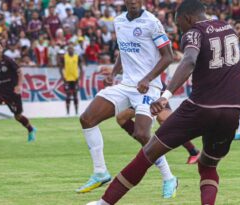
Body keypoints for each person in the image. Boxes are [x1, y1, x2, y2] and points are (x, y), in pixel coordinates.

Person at [86, 0, 240, 204]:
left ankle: (104, 203)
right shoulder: (228, 29)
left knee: (148, 153)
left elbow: (189, 60)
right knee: (208, 166)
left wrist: (165, 96)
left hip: (202, 108)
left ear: (187, 18)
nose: (180, 29)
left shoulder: (193, 32)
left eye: (179, 23)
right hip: (234, 110)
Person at [76, 0, 178, 199]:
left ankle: (169, 177)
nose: (132, 1)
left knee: (141, 133)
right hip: (126, 85)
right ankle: (100, 172)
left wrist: (148, 79)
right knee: (87, 119)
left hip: (149, 87)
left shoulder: (152, 22)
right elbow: (124, 52)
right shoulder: (119, 21)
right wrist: (114, 73)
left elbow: (168, 56)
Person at [116, 83, 200, 164]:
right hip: (137, 91)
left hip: (153, 87)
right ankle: (148, 148)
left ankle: (193, 152)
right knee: (121, 117)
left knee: (167, 122)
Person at [59, 43, 83, 115]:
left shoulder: (77, 57)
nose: (70, 50)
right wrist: (62, 77)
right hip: (67, 79)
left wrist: (80, 77)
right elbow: (60, 68)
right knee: (68, 95)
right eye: (69, 49)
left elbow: (81, 68)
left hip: (75, 79)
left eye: (71, 49)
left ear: (73, 50)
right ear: (67, 50)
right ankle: (67, 113)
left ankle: (76, 112)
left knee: (75, 95)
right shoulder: (64, 57)